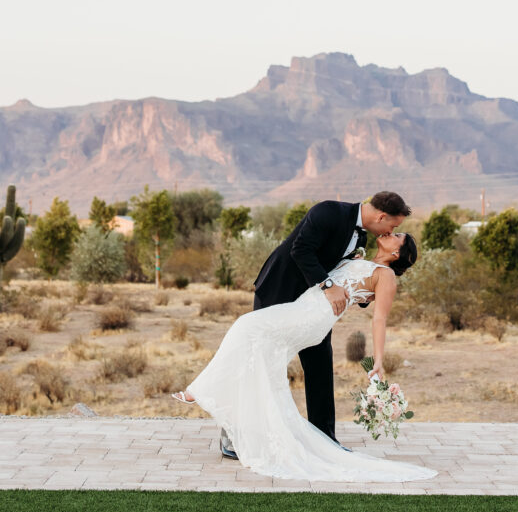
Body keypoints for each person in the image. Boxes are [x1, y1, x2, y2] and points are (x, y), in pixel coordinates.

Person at [171, 194, 437, 482]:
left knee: (308, 364)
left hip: (312, 311)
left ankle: (324, 441)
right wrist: (330, 283)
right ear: (382, 217)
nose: (388, 233)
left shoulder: (371, 256)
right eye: (392, 228)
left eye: (394, 234)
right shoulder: (329, 212)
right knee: (256, 355)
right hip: (281, 289)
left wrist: (377, 354)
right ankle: (234, 434)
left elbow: (369, 304)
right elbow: (302, 250)